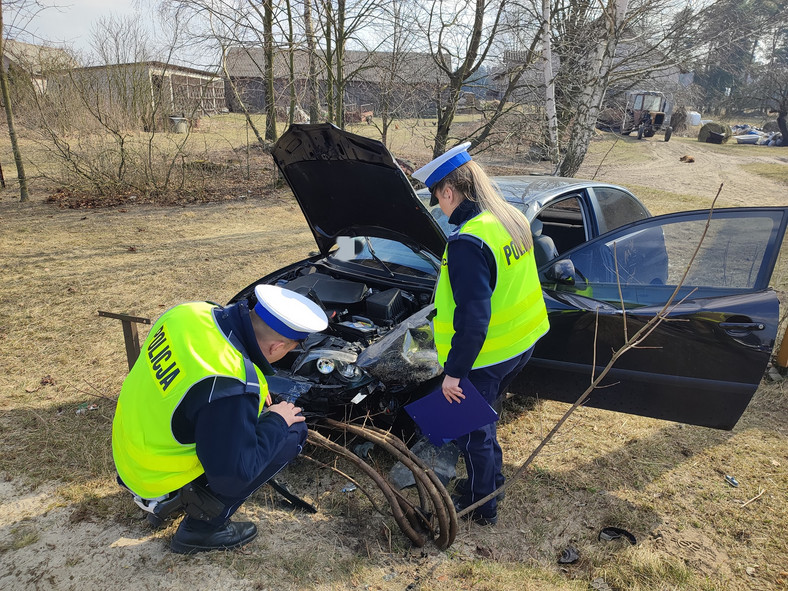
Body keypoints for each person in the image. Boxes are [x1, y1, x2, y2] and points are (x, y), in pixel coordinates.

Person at [112, 284, 328, 554]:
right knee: (292, 430)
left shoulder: (188, 312)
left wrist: (256, 391)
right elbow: (233, 477)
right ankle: (202, 528)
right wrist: (277, 421)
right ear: (277, 347)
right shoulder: (230, 384)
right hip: (154, 478)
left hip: (129, 452)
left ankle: (169, 496)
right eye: (291, 349)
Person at [412, 143, 549, 525]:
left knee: (471, 433)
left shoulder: (468, 242)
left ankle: (480, 506)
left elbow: (474, 318)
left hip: (487, 354)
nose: (440, 207)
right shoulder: (510, 218)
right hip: (522, 342)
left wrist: (454, 373)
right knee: (485, 420)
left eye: (438, 199)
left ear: (450, 192)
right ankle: (494, 483)